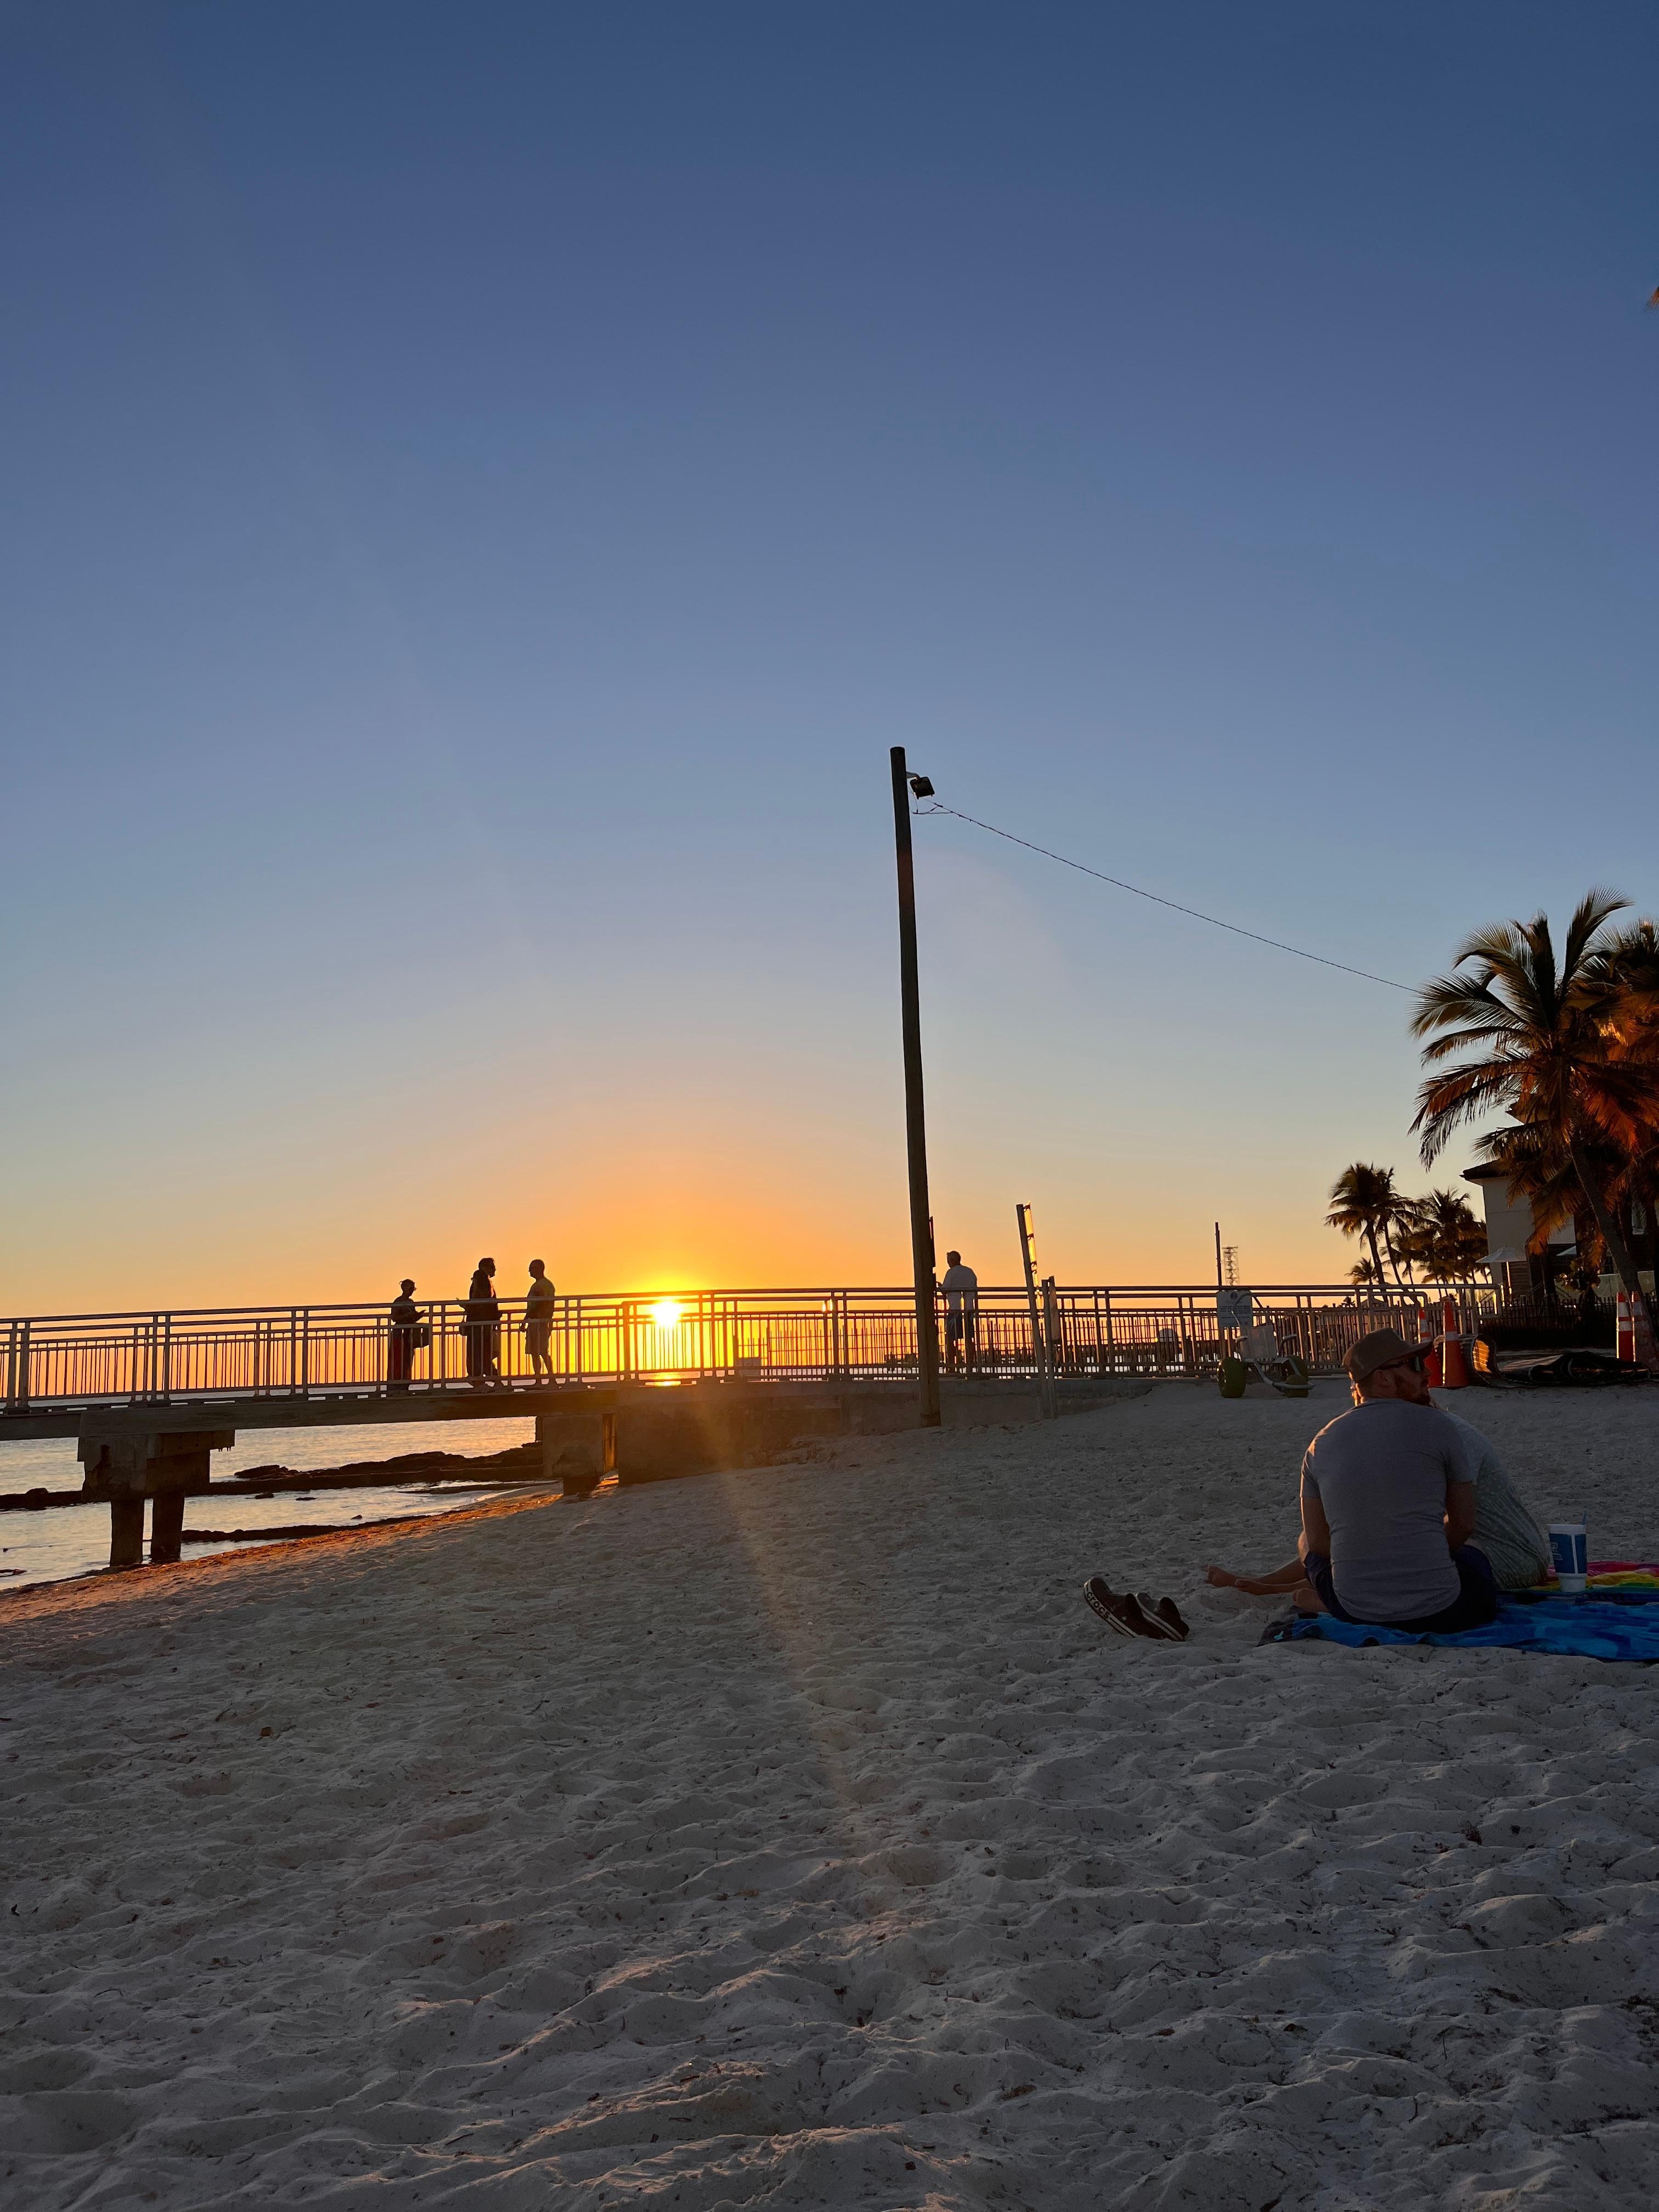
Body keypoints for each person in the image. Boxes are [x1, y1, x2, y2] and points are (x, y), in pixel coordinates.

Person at [1205, 1376, 1551, 1596]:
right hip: (1477, 1548)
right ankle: (1272, 1582)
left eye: (1359, 1393)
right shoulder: (1416, 1434)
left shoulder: (1445, 1437)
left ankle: (1301, 1589)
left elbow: (1454, 1525)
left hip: (1509, 1557)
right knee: (1332, 1536)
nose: (1358, 1403)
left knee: (1377, 1544)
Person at [1291, 1328, 1499, 1633]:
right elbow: (1464, 1525)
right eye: (1414, 1365)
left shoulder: (1319, 1445)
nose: (1427, 1372)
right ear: (1383, 1378)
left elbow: (1320, 1544)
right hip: (1446, 1612)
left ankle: (1327, 1603)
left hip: (1357, 1609)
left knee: (1304, 1541)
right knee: (1474, 1550)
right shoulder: (1442, 1427)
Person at [464, 1257, 501, 1386]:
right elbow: (484, 1302)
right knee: (483, 1352)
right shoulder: (483, 1280)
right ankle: (488, 1380)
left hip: (480, 1323)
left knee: (478, 1352)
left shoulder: (483, 1282)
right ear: (485, 1267)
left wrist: (468, 1307)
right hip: (482, 1323)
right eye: (492, 1267)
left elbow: (479, 1302)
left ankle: (481, 1380)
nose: (495, 1269)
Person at [940, 1250, 979, 1373]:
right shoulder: (970, 1272)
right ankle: (970, 1366)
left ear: (952, 1260)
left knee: (950, 1338)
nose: (948, 1263)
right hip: (969, 1310)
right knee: (969, 1337)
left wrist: (940, 1287)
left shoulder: (951, 1272)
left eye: (949, 1261)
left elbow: (945, 1290)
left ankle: (952, 1366)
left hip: (955, 1310)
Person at [387, 1279, 426, 1393]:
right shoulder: (398, 1301)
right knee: (398, 1359)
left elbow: (412, 1318)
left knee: (408, 1360)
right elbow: (394, 1318)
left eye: (413, 1289)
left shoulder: (411, 1302)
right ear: (404, 1288)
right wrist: (408, 1315)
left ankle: (405, 1384)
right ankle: (396, 1386)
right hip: (399, 1334)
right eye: (411, 1288)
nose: (412, 1291)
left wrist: (418, 1316)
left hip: (409, 1334)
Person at [524, 1258, 557, 1383]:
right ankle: (543, 1379)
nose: (529, 1271)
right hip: (539, 1321)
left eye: (532, 1268)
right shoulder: (545, 1284)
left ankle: (546, 1379)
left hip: (539, 1322)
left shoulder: (541, 1286)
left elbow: (536, 1305)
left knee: (540, 1351)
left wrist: (525, 1320)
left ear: (539, 1269)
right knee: (537, 1351)